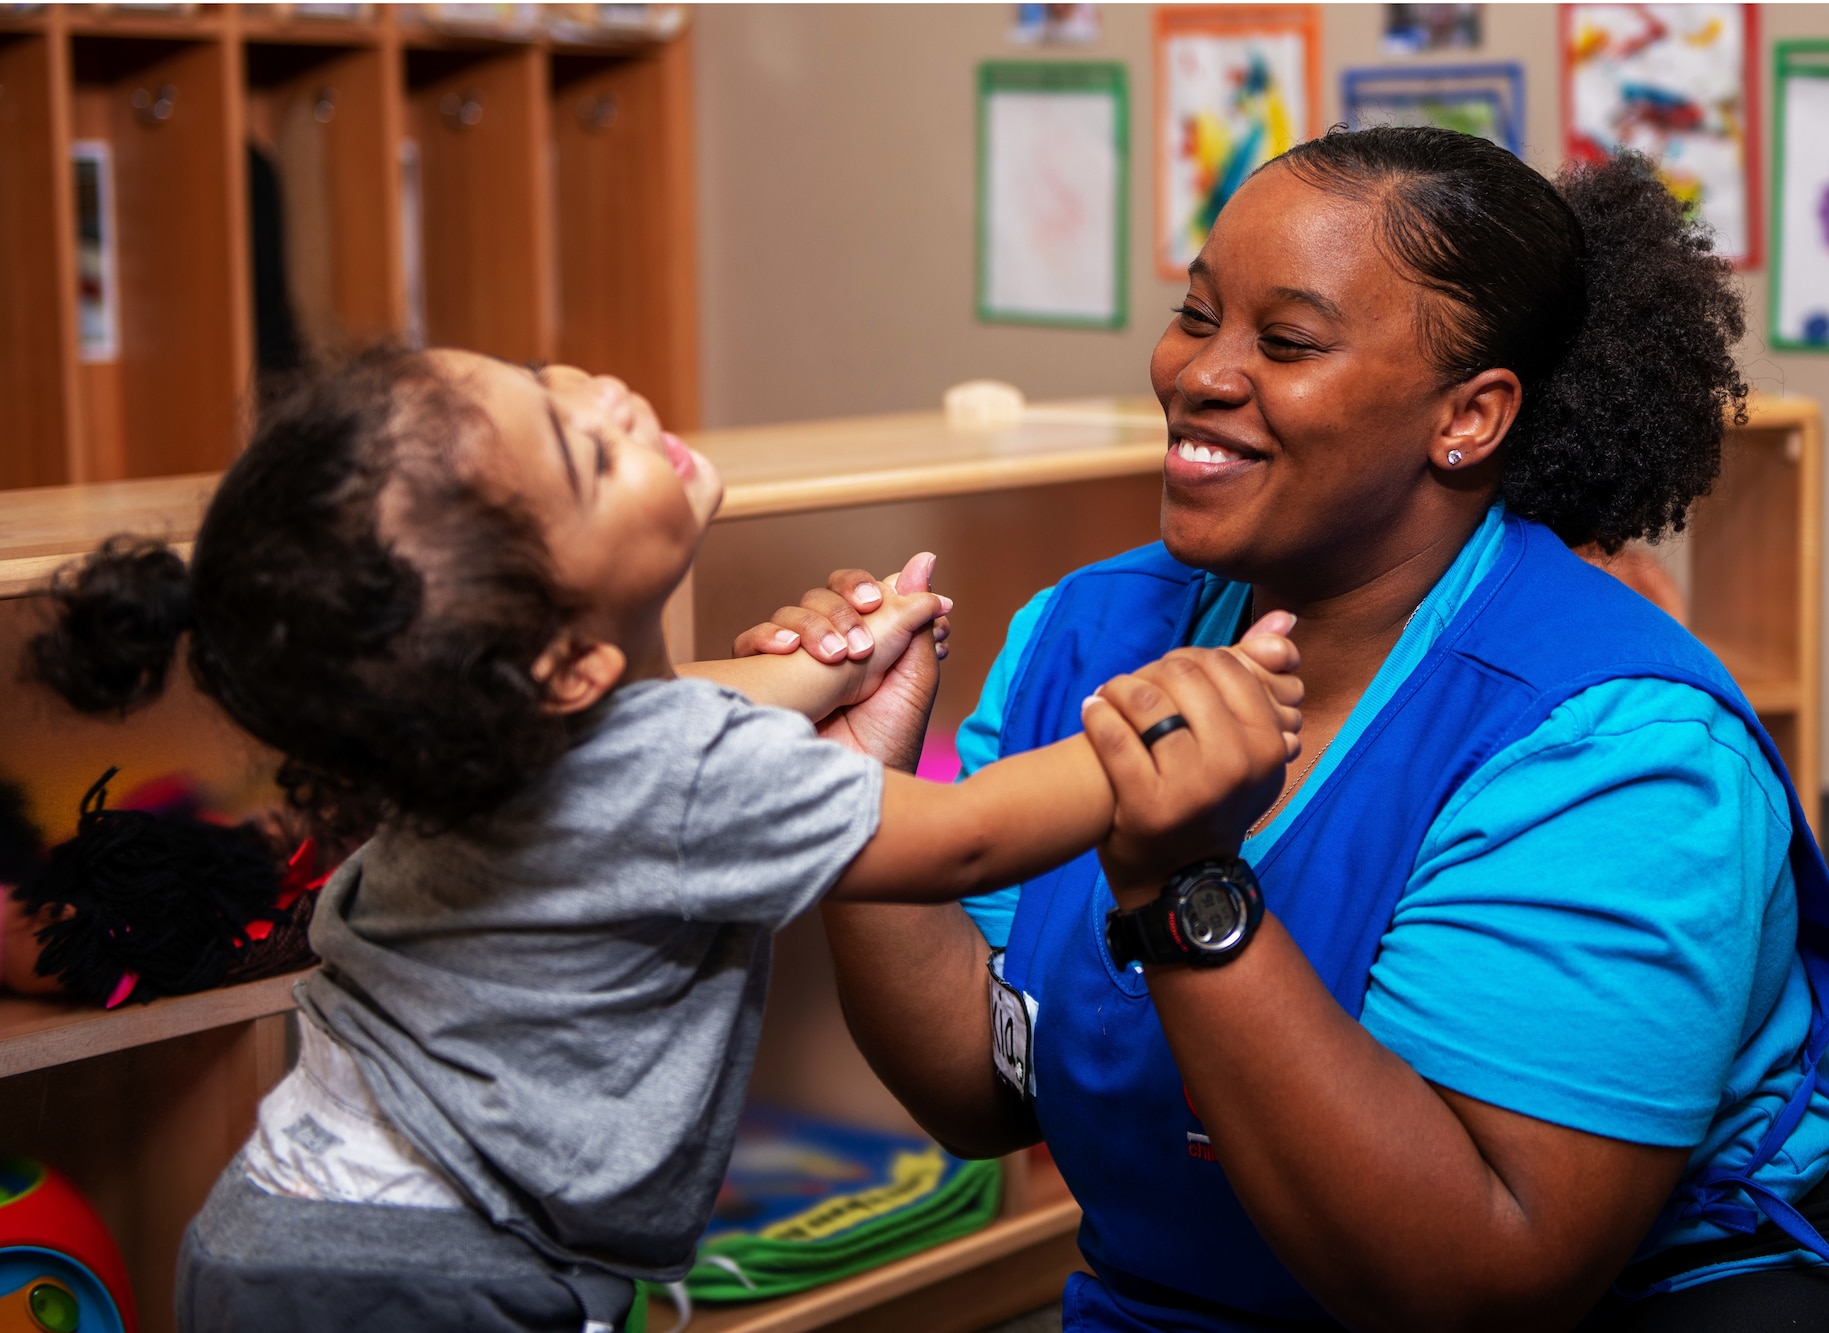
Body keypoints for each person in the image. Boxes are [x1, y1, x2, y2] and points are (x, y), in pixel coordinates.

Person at [736, 129, 1829, 1332]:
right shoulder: (1085, 627)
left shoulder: (1614, 747)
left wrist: (1186, 892)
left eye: (1284, 339)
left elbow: (1481, 1288)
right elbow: (982, 1088)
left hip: (1670, 1282)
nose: (1198, 373)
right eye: (1193, 313)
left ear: (1469, 417)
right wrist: (857, 804)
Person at [24, 347, 1304, 1333]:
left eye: (554, 386)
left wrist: (830, 669)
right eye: (583, 452)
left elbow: (678, 712)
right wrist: (1174, 723)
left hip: (290, 1226)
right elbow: (963, 839)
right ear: (566, 663)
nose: (610, 395)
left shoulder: (470, 738)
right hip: (426, 1274)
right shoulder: (684, 782)